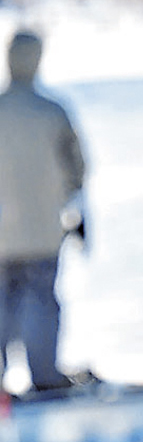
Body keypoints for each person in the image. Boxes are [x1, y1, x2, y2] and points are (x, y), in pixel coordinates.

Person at [0, 29, 86, 399]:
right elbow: (77, 170)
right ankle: (45, 377)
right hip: (43, 233)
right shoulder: (53, 112)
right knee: (41, 304)